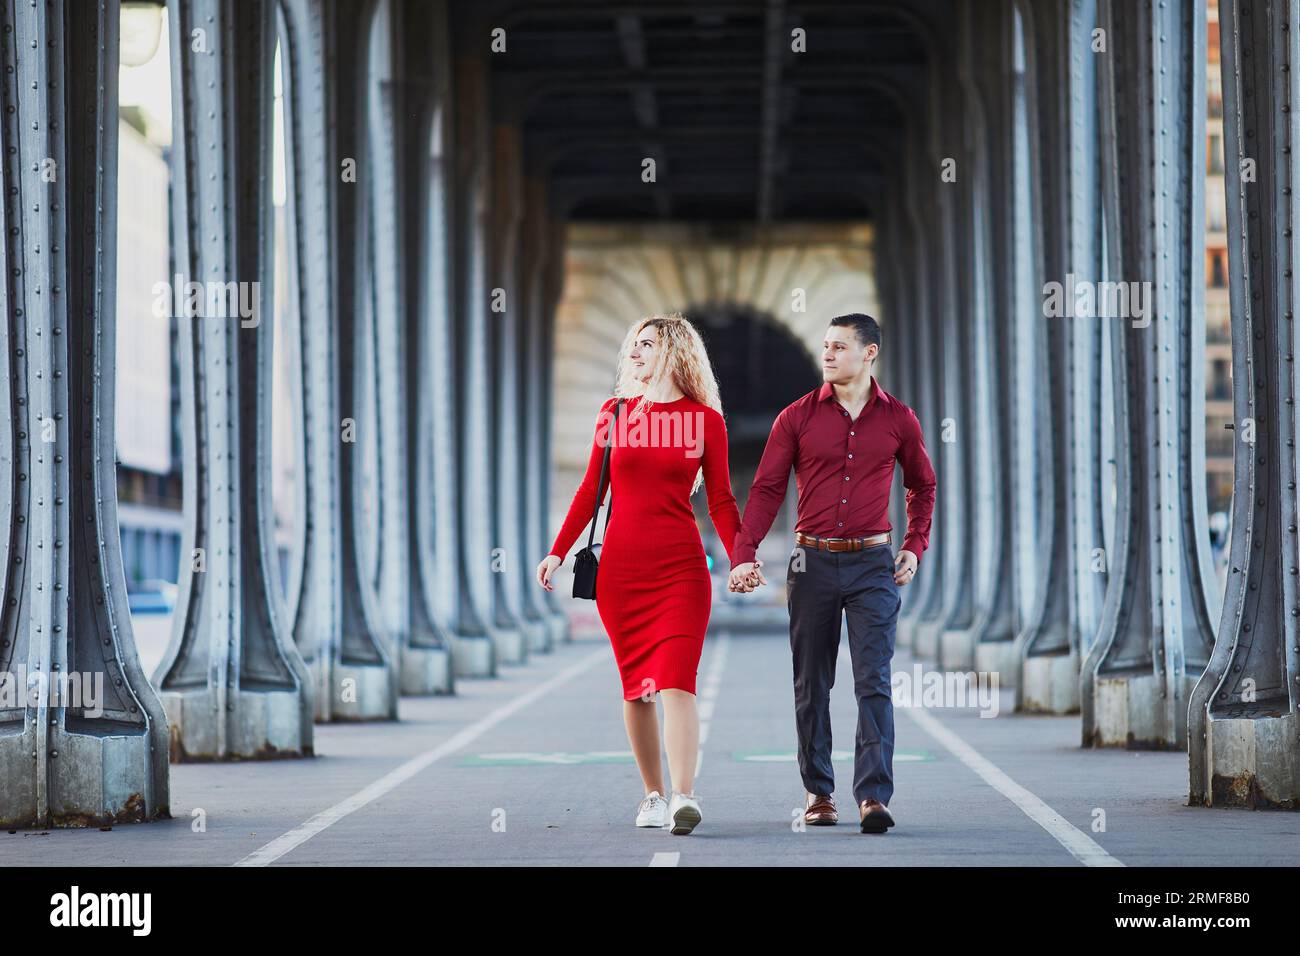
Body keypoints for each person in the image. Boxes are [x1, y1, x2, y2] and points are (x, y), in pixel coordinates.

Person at [727, 313, 936, 834]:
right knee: (812, 683)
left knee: (874, 682)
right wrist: (744, 553)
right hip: (810, 561)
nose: (827, 354)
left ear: (869, 354)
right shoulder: (795, 418)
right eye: (824, 345)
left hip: (872, 564)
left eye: (839, 346)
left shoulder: (899, 420)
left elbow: (923, 485)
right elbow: (768, 489)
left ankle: (872, 797)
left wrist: (913, 544)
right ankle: (819, 793)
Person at [536, 313, 741, 835]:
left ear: (673, 352)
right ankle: (651, 793)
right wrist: (557, 552)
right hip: (621, 574)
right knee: (637, 688)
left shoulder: (704, 422)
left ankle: (684, 796)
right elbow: (589, 491)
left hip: (681, 570)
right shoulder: (614, 413)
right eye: (632, 344)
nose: (634, 352)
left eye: (646, 345)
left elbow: (720, 498)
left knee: (676, 680)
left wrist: (742, 556)